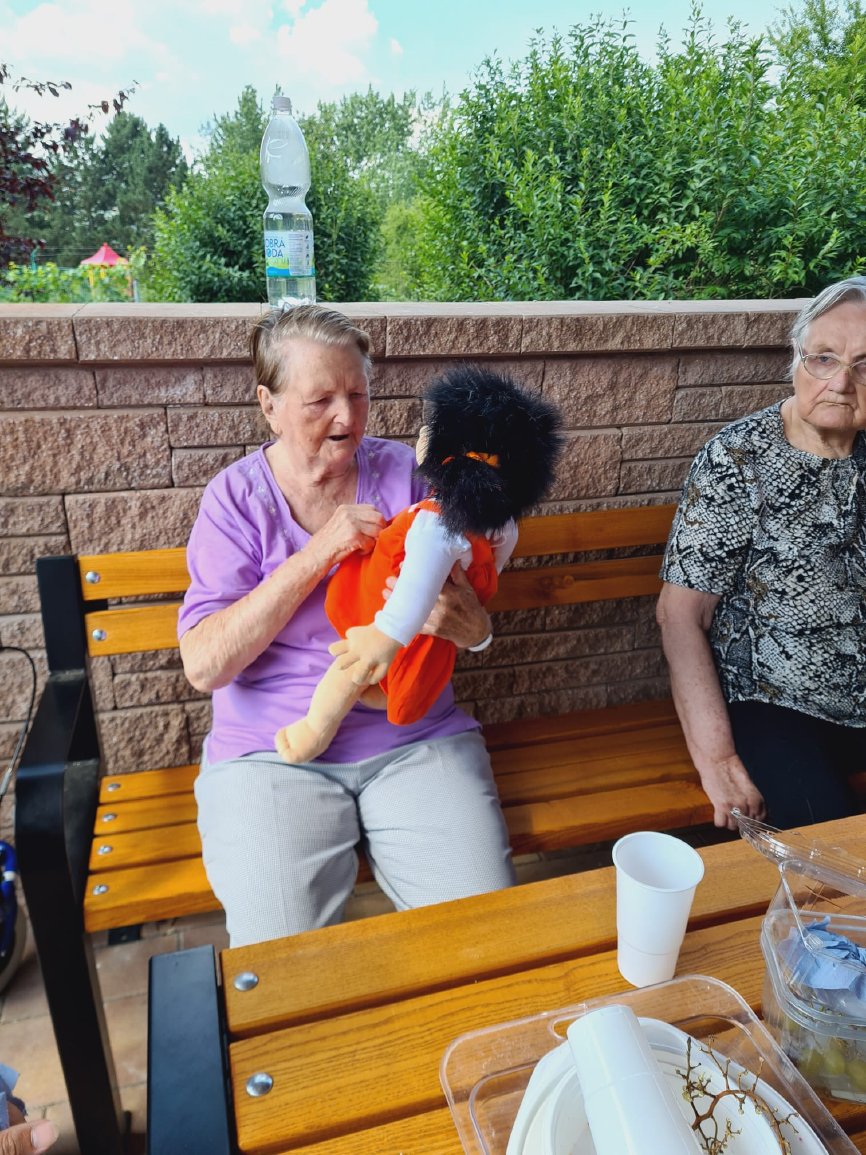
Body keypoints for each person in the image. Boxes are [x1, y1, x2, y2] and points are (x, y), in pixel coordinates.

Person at [178, 305, 516, 947]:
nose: (347, 418)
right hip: (271, 753)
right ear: (269, 405)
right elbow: (204, 665)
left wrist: (475, 629)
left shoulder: (410, 475)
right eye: (320, 400)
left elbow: (474, 587)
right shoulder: (235, 499)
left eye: (358, 395)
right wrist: (318, 553)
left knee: (481, 936)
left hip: (414, 738)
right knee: (284, 958)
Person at [657, 275, 866, 832]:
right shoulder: (738, 459)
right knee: (829, 847)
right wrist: (717, 757)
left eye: (865, 366)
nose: (841, 383)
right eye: (824, 358)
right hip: (775, 701)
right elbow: (680, 614)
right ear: (796, 359)